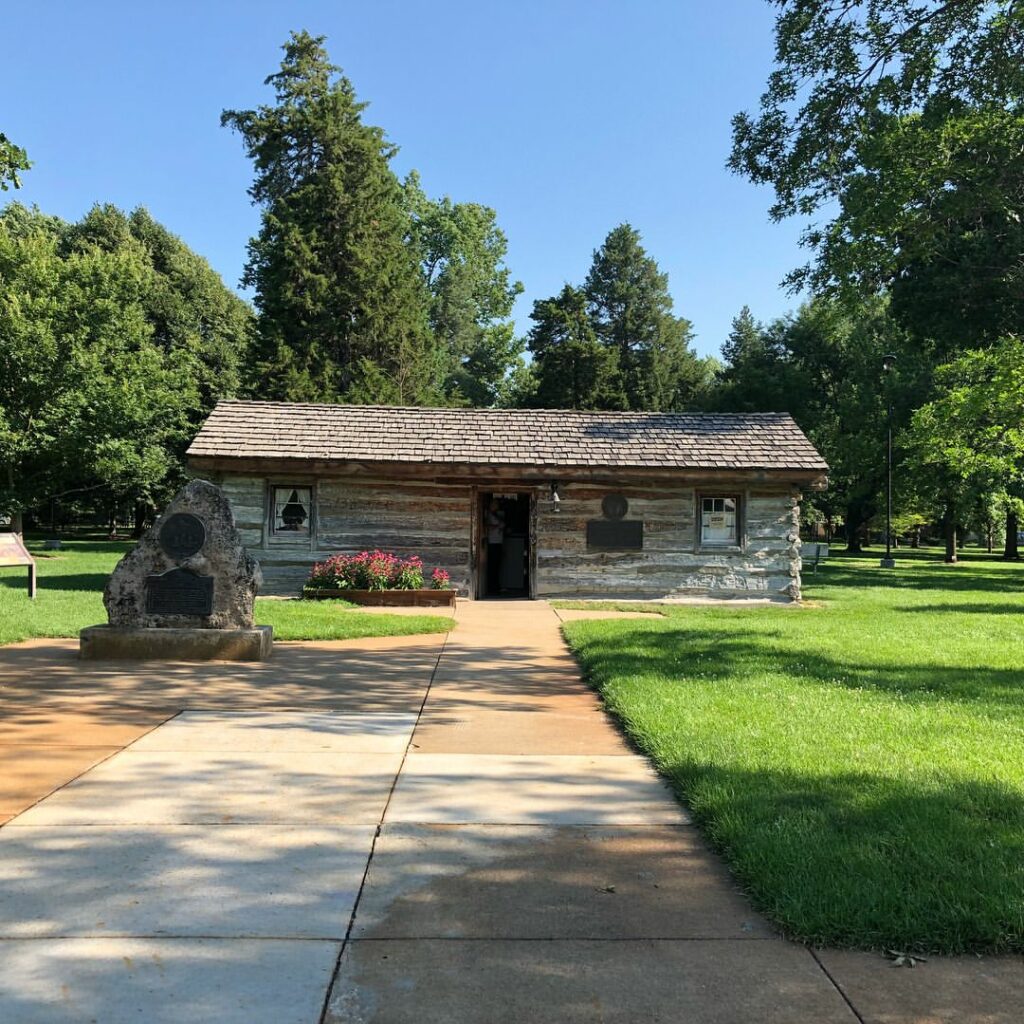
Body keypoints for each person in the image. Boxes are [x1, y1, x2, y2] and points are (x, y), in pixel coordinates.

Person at [486, 499, 505, 594]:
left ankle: (496, 587)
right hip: (492, 542)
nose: (497, 506)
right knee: (493, 566)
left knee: (497, 566)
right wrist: (497, 526)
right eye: (495, 504)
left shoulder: (496, 515)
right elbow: (486, 526)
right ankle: (492, 588)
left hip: (498, 542)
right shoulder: (487, 514)